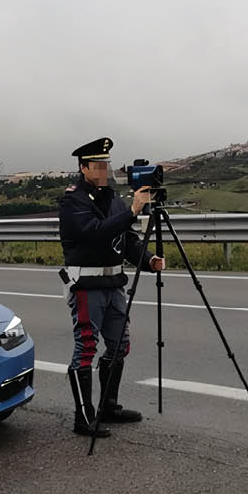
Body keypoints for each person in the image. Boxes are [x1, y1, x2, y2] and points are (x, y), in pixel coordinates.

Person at [59, 137, 165, 437]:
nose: (105, 169)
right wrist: (132, 210)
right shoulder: (73, 200)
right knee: (86, 348)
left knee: (120, 345)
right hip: (86, 286)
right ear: (83, 167)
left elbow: (126, 239)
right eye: (99, 165)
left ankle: (108, 406)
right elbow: (95, 232)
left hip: (115, 284)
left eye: (107, 164)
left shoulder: (113, 197)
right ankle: (84, 416)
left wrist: (148, 260)